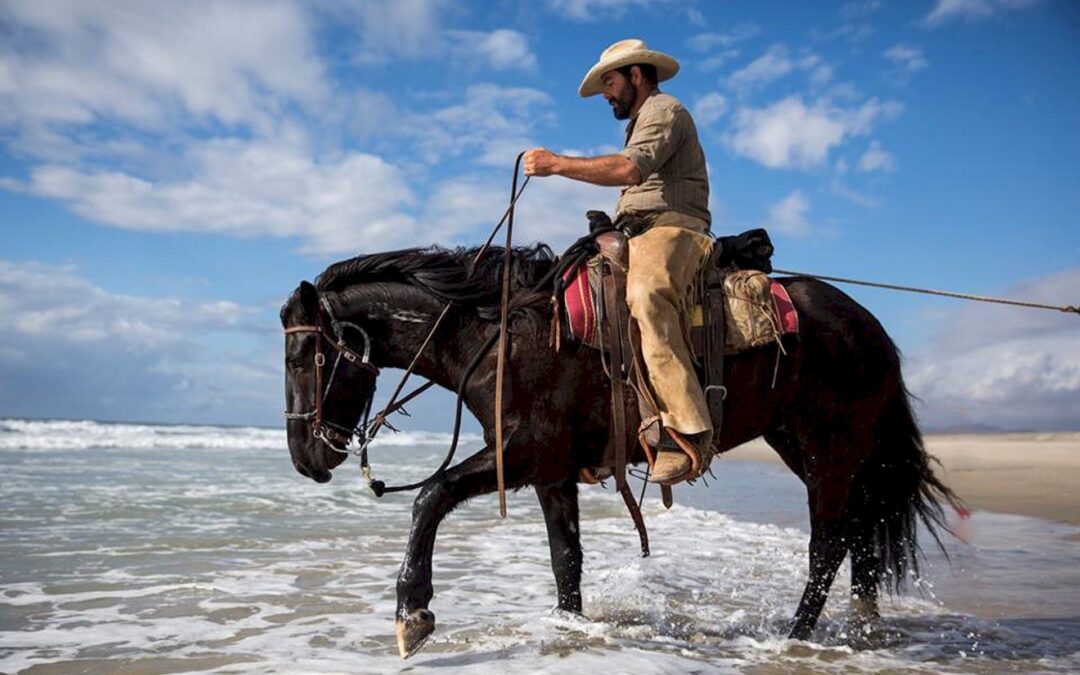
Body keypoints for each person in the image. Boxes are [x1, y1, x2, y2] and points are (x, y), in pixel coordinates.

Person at [524, 39, 714, 485]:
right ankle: (608, 431)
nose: (606, 93)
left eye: (609, 81)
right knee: (576, 298)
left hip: (674, 228)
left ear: (635, 74)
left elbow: (630, 171)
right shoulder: (640, 121)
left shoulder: (666, 111)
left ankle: (688, 431)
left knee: (647, 296)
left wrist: (555, 165)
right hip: (635, 230)